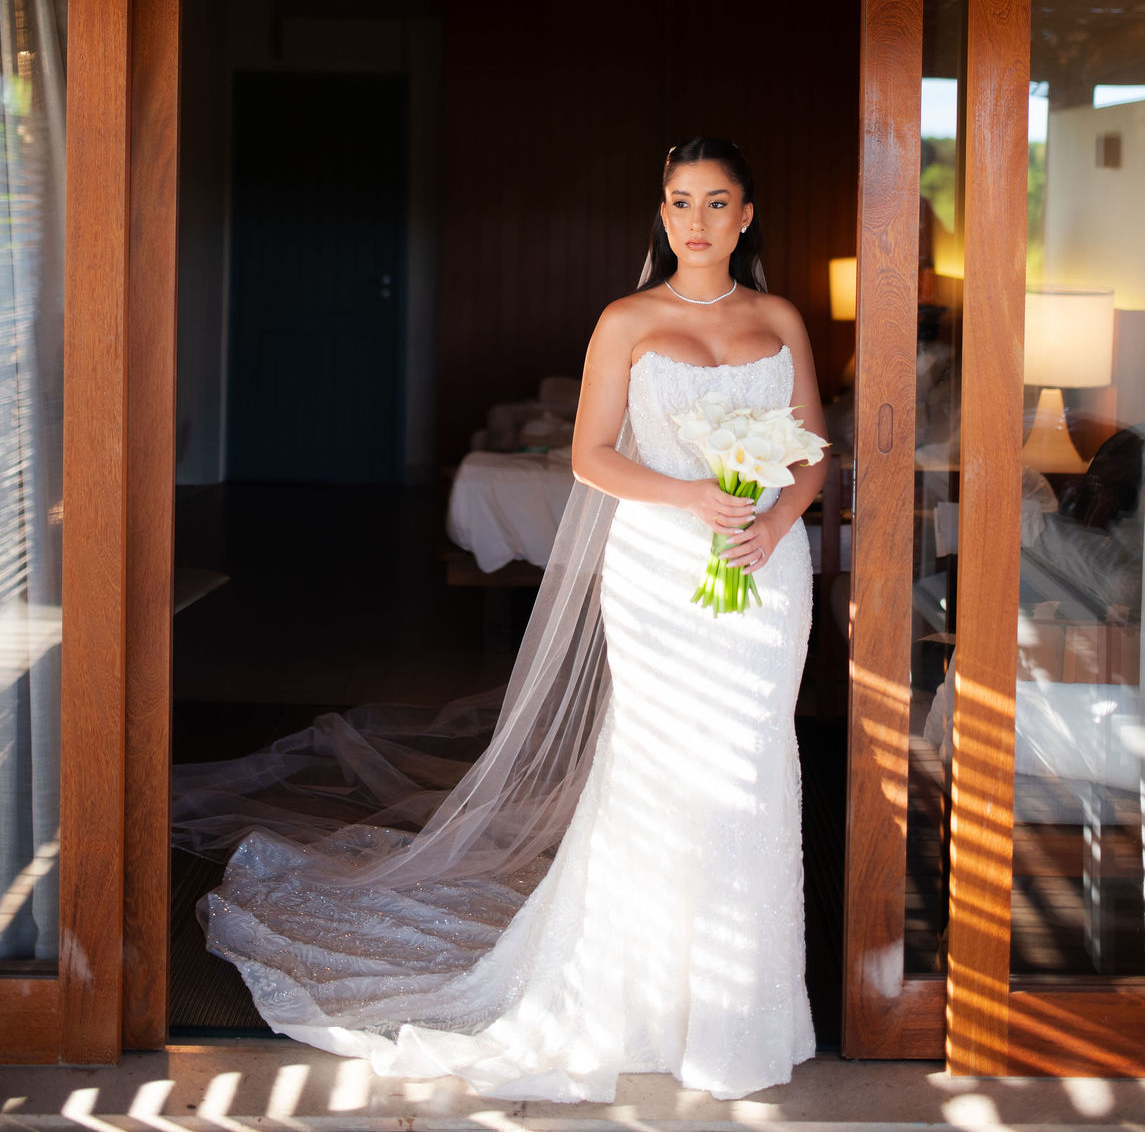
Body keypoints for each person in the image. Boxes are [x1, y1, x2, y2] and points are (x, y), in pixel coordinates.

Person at [175, 135, 828, 1102]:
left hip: (766, 569)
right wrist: (693, 497)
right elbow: (591, 456)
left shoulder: (779, 318)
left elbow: (812, 448)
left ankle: (741, 1011)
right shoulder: (627, 319)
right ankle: (643, 992)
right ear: (663, 215)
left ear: (746, 214)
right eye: (681, 202)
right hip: (660, 564)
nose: (698, 220)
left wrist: (775, 519)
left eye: (717, 201)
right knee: (664, 764)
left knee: (752, 763)